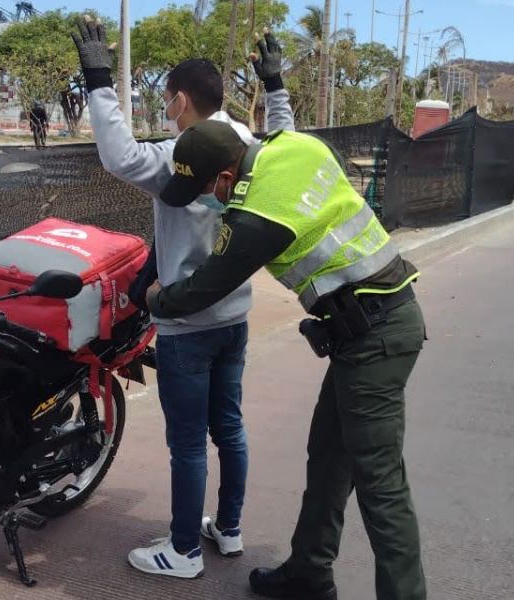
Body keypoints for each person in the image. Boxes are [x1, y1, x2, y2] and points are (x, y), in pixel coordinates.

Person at [145, 120, 428, 600]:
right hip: (364, 330)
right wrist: (274, 84)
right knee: (328, 461)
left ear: (226, 179)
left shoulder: (255, 215)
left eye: (205, 189)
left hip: (375, 336)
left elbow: (203, 288)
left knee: (381, 486)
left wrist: (156, 297)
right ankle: (309, 573)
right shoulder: (294, 145)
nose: (207, 200)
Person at [70, 18, 296, 579]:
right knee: (230, 427)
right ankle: (230, 528)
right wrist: (275, 88)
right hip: (235, 317)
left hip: (184, 324)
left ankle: (184, 551)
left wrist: (99, 79)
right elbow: (286, 140)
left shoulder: (179, 156)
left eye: (168, 102)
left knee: (189, 445)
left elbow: (119, 156)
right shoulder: (251, 147)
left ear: (178, 101)